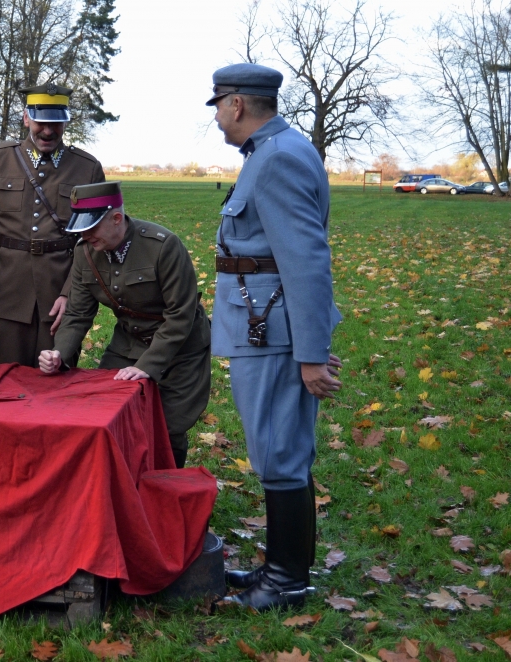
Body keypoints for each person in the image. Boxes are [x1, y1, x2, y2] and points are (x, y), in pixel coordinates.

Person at [205, 63, 342, 611]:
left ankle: (285, 581)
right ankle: (285, 570)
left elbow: (306, 262)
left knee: (279, 451)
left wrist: (310, 354)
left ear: (237, 104)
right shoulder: (270, 152)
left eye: (218, 105)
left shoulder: (278, 157)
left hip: (272, 331)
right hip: (263, 324)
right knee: (278, 449)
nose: (217, 116)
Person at [38, 182, 211, 468]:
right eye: (81, 228)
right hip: (129, 342)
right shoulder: (85, 252)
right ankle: (118, 481)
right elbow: (78, 313)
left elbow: (181, 314)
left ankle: (166, 485)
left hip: (180, 347)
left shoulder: (162, 246)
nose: (84, 235)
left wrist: (148, 365)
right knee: (103, 410)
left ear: (116, 218)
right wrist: (59, 354)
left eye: (91, 227)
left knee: (168, 427)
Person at [0, 83, 105, 367]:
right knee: (5, 376)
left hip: (59, 293)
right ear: (26, 118)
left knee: (56, 379)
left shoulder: (87, 168)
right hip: (6, 293)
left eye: (56, 123)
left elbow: (95, 241)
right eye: (41, 122)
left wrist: (70, 293)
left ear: (65, 122)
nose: (48, 131)